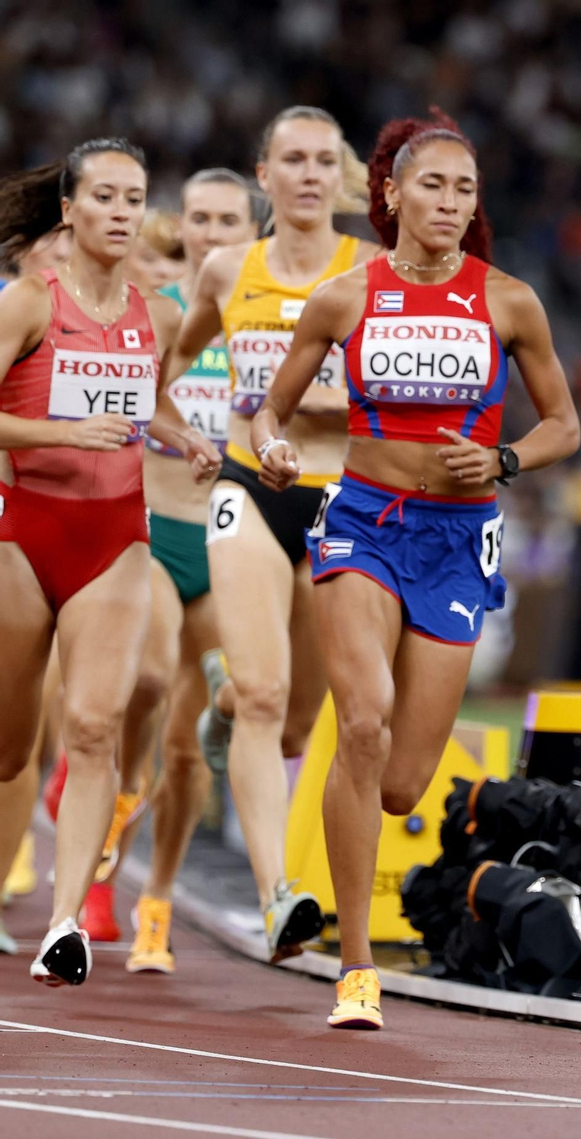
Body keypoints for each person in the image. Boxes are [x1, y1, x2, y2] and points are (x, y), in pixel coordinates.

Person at [253, 111, 579, 1029]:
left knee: (399, 780)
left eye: (464, 189)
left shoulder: (507, 300)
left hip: (458, 535)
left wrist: (507, 460)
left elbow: (564, 425)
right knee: (360, 723)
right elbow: (269, 414)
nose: (449, 202)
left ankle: (355, 846)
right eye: (431, 184)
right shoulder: (344, 297)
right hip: (362, 521)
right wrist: (273, 450)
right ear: (390, 193)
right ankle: (356, 964)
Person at [158, 106, 377, 962]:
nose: (311, 174)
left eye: (327, 160)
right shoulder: (226, 270)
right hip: (250, 487)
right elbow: (164, 373)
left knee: (292, 726)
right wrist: (188, 435)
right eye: (294, 159)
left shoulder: (371, 270)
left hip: (345, 498)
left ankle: (219, 710)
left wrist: (324, 404)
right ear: (266, 174)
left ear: (343, 177)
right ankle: (274, 893)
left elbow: (409, 399)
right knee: (262, 694)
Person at [0, 138, 212, 985]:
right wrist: (59, 432)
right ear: (69, 210)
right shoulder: (26, 303)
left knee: (93, 725)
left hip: (118, 536)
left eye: (136, 199)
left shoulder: (157, 313)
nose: (124, 214)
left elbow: (144, 400)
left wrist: (182, 433)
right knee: (11, 750)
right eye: (107, 198)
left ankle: (63, 923)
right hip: (25, 534)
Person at [113, 171, 258, 970]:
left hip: (232, 540)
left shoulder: (270, 315)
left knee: (187, 748)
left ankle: (156, 902)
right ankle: (116, 787)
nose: (210, 233)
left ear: (252, 227)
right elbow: (124, 402)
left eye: (228, 220)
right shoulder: (153, 309)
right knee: (142, 678)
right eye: (199, 219)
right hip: (155, 526)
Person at [0, 225, 74, 955]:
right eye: (57, 243)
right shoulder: (15, 309)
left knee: (13, 735)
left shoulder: (96, 319)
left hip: (32, 531)